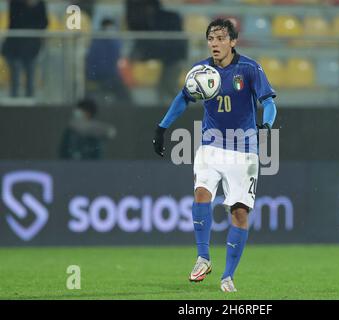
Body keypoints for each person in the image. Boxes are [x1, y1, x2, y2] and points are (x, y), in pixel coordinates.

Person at [152, 19, 277, 292]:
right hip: (210, 145)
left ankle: (228, 276)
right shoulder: (200, 71)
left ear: (233, 41)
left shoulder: (250, 69)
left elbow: (268, 102)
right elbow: (183, 98)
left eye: (221, 38)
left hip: (244, 150)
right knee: (201, 192)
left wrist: (266, 124)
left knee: (240, 213)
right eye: (211, 39)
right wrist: (162, 128)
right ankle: (203, 257)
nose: (215, 44)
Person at [126, 0, 187, 104]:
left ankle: (185, 110)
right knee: (164, 90)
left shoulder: (167, 19)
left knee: (167, 87)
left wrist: (144, 56)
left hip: (174, 58)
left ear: (150, 7)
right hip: (168, 59)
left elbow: (163, 44)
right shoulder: (147, 21)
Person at [1, 0, 48, 98]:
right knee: (15, 72)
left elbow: (44, 22)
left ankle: (30, 99)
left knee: (30, 72)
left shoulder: (40, 4)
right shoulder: (15, 3)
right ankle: (14, 98)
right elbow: (15, 21)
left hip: (31, 46)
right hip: (14, 45)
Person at [86, 18, 131, 105]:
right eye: (109, 28)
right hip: (100, 75)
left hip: (108, 75)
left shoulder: (108, 41)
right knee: (122, 93)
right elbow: (99, 62)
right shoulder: (98, 42)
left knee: (122, 90)